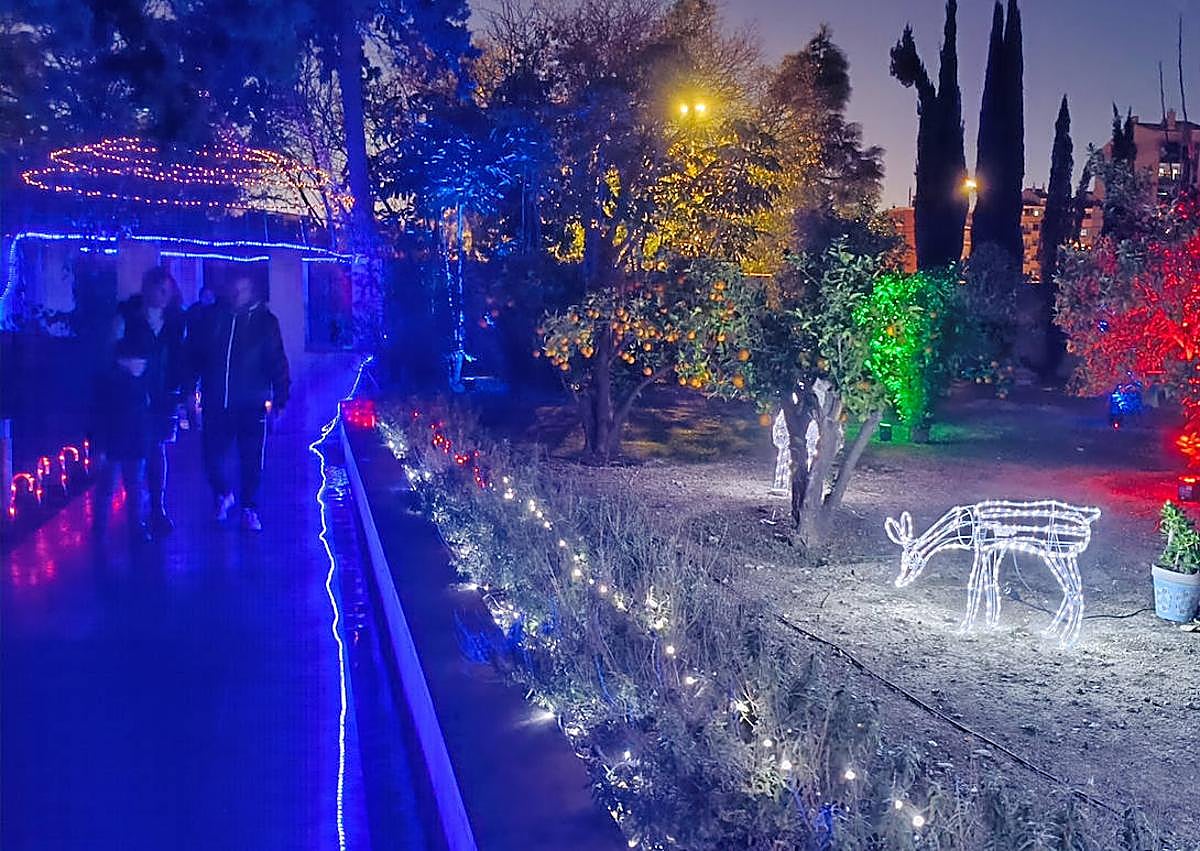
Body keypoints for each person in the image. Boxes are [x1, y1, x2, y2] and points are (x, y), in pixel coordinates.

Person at [194, 274, 290, 531]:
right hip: (217, 402)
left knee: (251, 458)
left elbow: (277, 361)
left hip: (251, 403)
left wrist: (280, 398)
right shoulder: (213, 318)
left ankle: (249, 507)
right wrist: (187, 390)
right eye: (234, 288)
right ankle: (224, 493)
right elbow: (196, 355)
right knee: (211, 456)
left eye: (243, 289)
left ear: (252, 291)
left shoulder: (265, 323)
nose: (238, 295)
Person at [97, 266, 186, 540]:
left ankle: (156, 510)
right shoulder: (128, 316)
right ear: (146, 288)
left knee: (155, 452)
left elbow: (179, 359)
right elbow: (106, 354)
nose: (161, 296)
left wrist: (178, 393)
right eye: (157, 289)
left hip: (160, 396)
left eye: (166, 291)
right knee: (127, 457)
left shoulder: (174, 322)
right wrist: (123, 366)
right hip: (128, 398)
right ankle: (122, 521)